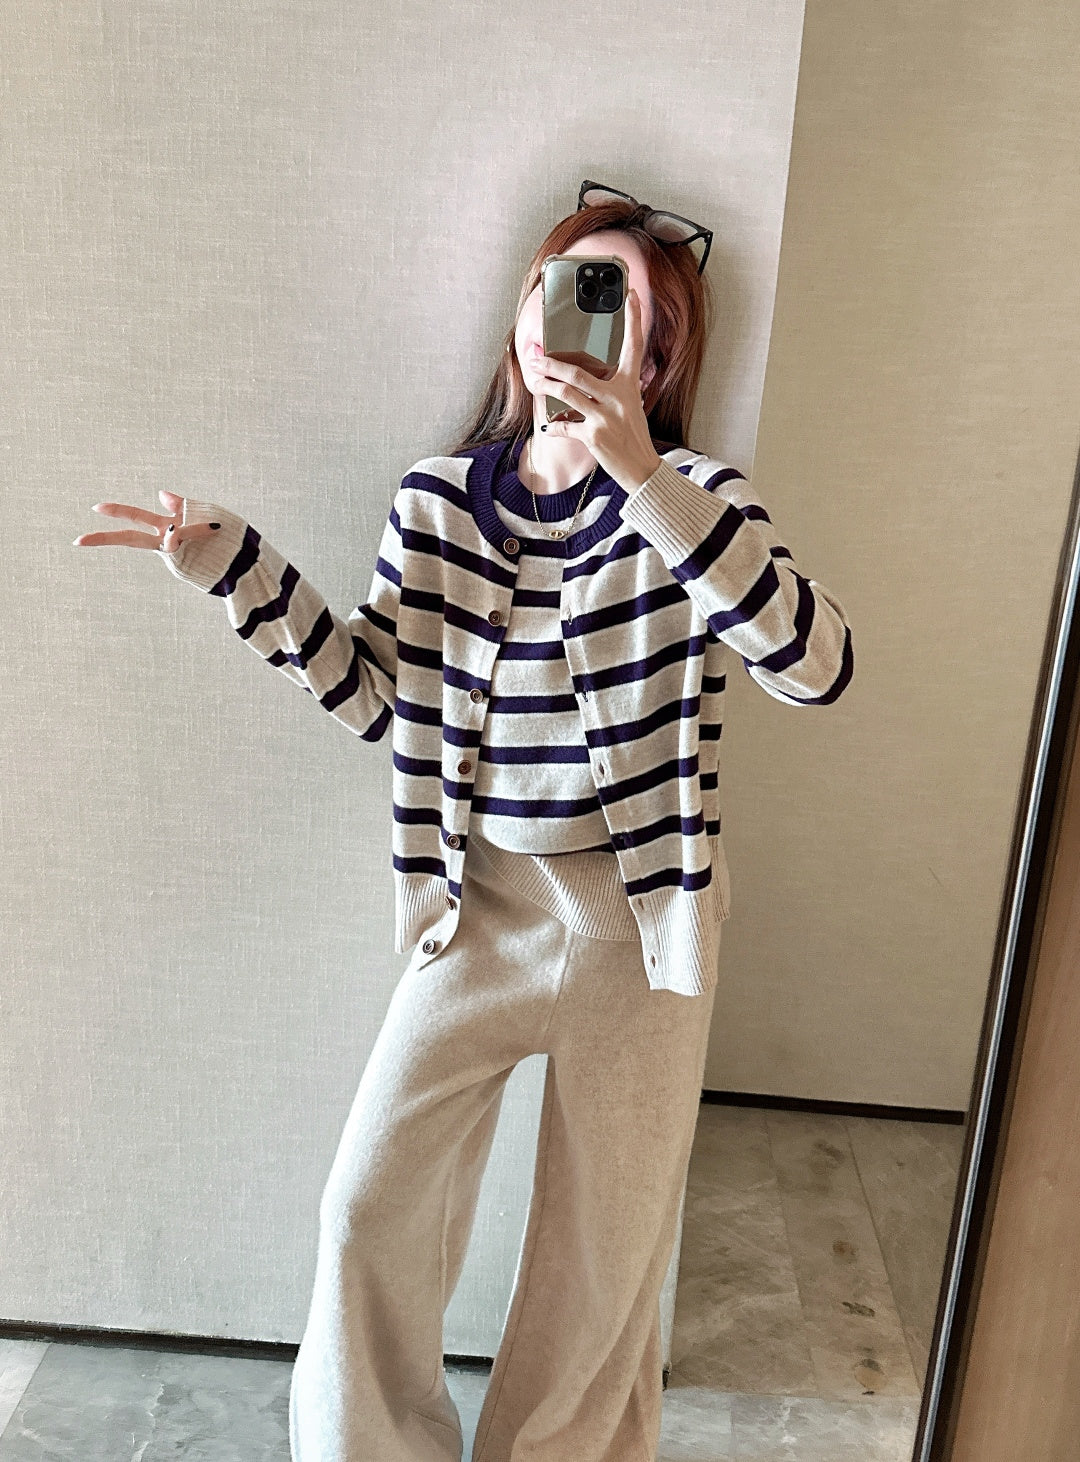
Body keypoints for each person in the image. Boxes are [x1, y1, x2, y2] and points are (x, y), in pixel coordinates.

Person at [75, 181, 853, 1462]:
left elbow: (816, 668)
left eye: (621, 307)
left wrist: (642, 475)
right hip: (479, 916)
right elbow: (383, 700)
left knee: (599, 1276)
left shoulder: (698, 500)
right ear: (523, 313)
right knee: (367, 1207)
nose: (576, 321)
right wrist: (240, 571)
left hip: (640, 937)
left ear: (658, 354)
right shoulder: (437, 502)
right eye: (564, 287)